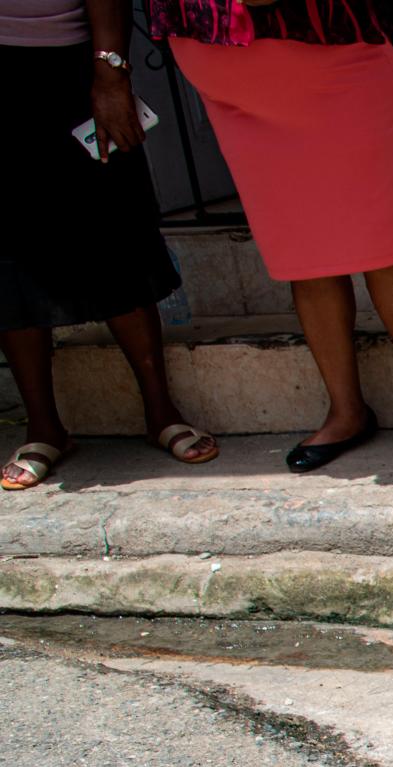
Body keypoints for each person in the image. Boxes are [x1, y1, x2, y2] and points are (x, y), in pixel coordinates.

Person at [151, 0, 393, 472]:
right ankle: (347, 411)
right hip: (228, 73)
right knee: (305, 253)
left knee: (385, 241)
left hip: (332, 52)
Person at [0, 0, 220, 491]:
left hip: (72, 64)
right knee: (9, 249)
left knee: (115, 229)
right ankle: (44, 427)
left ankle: (161, 410)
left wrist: (111, 74)